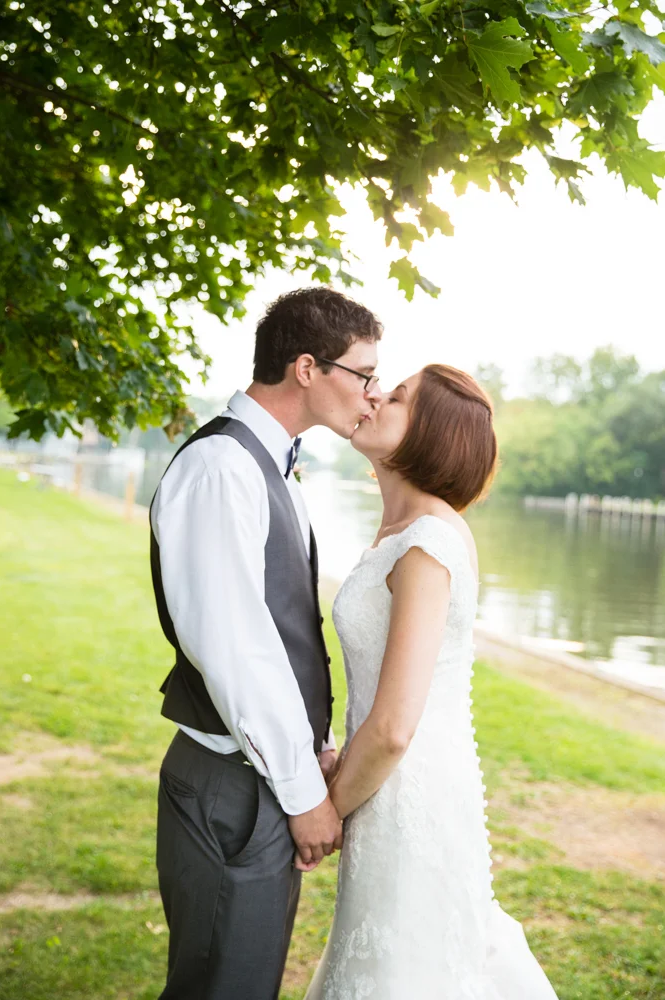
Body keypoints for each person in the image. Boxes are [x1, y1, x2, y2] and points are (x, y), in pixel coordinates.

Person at [149, 287, 383, 1000]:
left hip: (257, 776)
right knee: (224, 987)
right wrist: (299, 789)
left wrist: (309, 752)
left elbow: (277, 630)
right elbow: (234, 648)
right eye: (364, 374)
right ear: (307, 369)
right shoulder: (222, 466)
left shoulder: (266, 461)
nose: (372, 395)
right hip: (234, 785)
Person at [305, 365, 560, 999]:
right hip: (384, 787)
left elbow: (393, 727)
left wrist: (324, 814)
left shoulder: (427, 543)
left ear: (431, 434)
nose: (373, 397)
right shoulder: (398, 533)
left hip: (409, 797)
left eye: (395, 397)